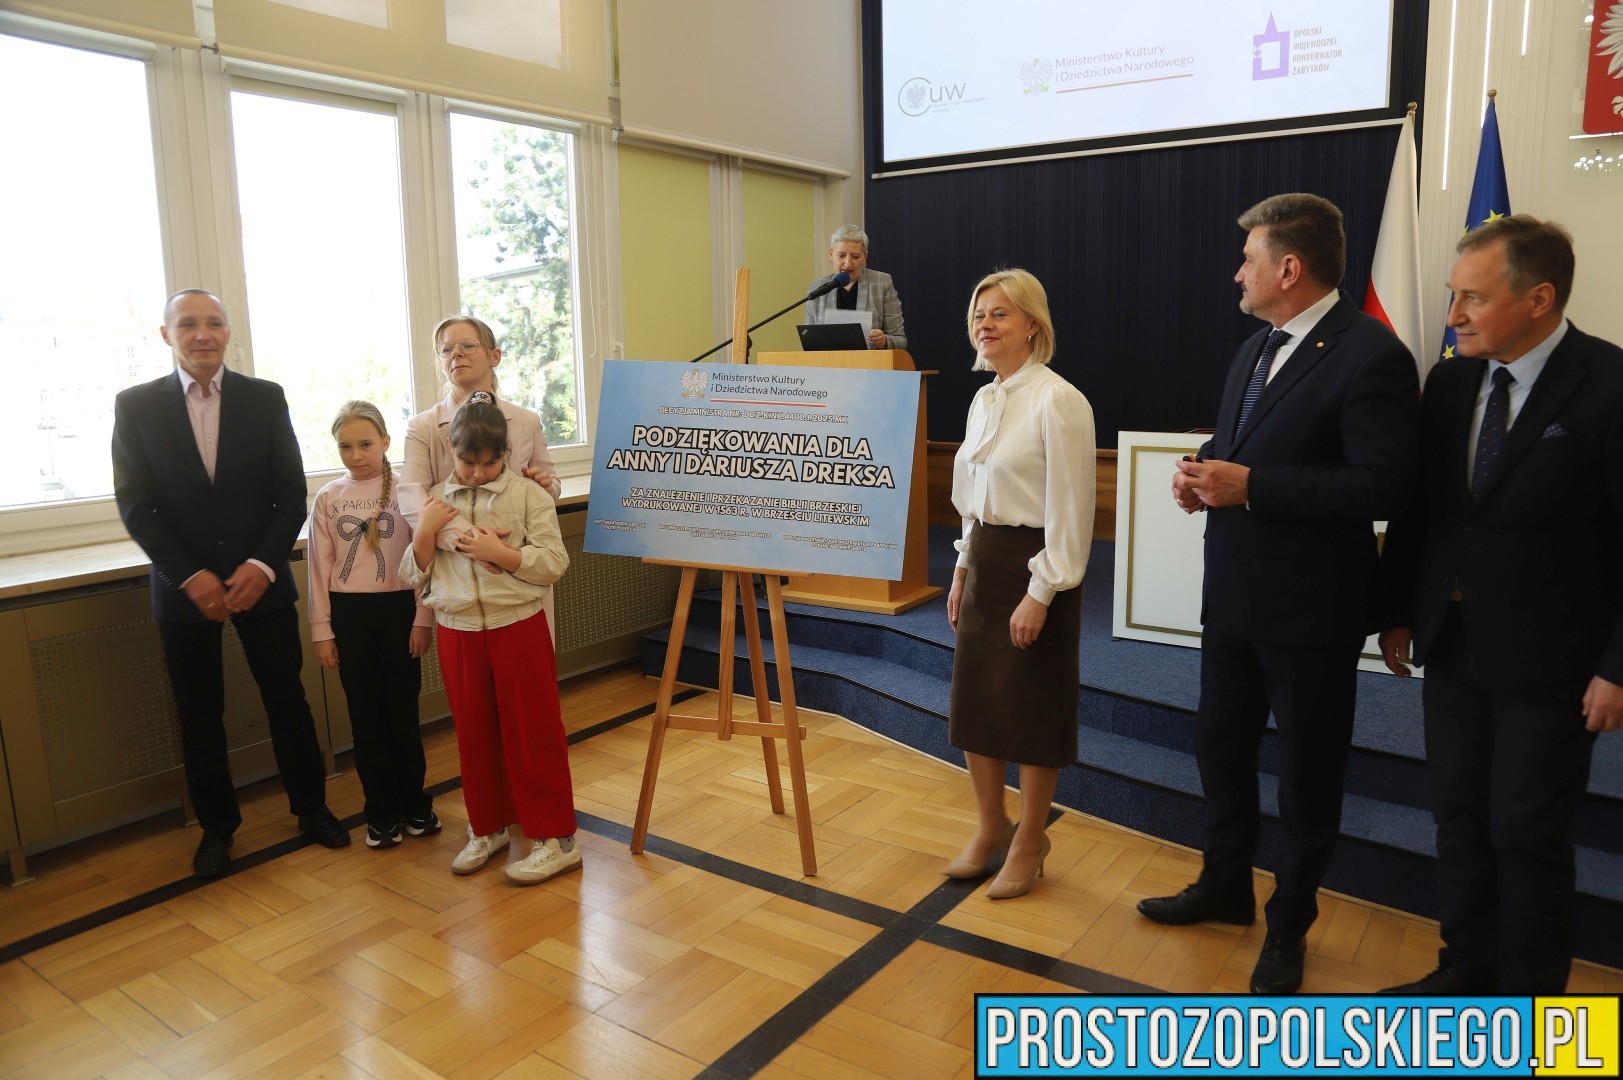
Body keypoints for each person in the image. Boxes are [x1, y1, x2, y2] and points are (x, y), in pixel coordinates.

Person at [1137, 194, 1420, 995]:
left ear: (1288, 268)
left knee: (1305, 776)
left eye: (1247, 259)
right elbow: (1245, 443)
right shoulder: (1255, 349)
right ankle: (1224, 887)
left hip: (1310, 612)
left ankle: (1288, 927)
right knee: (1219, 749)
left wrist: (1252, 487)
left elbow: (1383, 485)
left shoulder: (1372, 354)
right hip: (1232, 598)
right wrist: (1200, 471)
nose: (1237, 273)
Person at [1379, 216, 1623, 994]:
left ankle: (1528, 1001)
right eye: (1453, 296)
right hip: (1453, 643)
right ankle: (1463, 969)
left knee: (1526, 832)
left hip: (1553, 662)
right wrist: (1398, 610)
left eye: (1472, 299)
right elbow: (1424, 511)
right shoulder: (1451, 382)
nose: (1453, 316)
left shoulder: (1610, 384)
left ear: (1539, 298)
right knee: (1457, 819)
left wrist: (1617, 667)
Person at [111, 289, 351, 878]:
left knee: (287, 700)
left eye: (214, 323)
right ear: (166, 335)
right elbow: (136, 505)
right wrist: (189, 575)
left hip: (261, 581)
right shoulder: (135, 406)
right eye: (188, 324)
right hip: (183, 590)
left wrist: (263, 565)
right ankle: (217, 829)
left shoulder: (265, 397)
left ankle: (311, 807)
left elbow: (289, 492)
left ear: (227, 332)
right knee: (198, 714)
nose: (203, 334)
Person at [944, 269, 1096, 901]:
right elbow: (973, 498)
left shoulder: (1059, 400)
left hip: (1037, 567)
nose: (985, 324)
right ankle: (991, 827)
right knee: (976, 703)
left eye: (1000, 313)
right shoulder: (984, 399)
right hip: (985, 562)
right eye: (979, 314)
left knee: (1034, 709)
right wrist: (961, 568)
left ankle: (1031, 840)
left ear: (1033, 324)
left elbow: (1072, 511)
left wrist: (1043, 590)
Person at [400, 391, 577, 884]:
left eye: (489, 463)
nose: (477, 473)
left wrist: (501, 554)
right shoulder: (436, 501)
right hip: (458, 632)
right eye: (466, 462)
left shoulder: (528, 495)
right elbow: (410, 573)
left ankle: (557, 839)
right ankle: (488, 827)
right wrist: (424, 532)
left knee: (534, 733)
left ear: (506, 454)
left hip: (517, 627)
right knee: (474, 735)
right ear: (452, 451)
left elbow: (554, 563)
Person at [308, 401, 437, 849]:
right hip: (350, 617)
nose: (356, 455)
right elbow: (318, 570)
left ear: (385, 441)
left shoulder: (408, 491)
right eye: (345, 446)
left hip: (400, 611)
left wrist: (423, 619)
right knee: (366, 719)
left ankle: (415, 804)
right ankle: (380, 813)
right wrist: (322, 631)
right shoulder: (328, 497)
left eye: (365, 444)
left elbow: (425, 558)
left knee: (403, 714)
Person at [400, 315, 564, 634]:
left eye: (467, 345)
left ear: (494, 356)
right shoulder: (423, 426)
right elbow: (411, 497)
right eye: (446, 349)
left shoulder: (526, 420)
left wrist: (544, 487)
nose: (456, 354)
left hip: (518, 582)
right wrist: (472, 542)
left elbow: (550, 486)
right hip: (458, 582)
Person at [804, 224, 908, 350]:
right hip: (829, 362)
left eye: (855, 256)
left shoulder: (881, 283)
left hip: (870, 362)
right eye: (841, 255)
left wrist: (884, 341)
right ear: (831, 254)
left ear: (865, 257)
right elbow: (808, 343)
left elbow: (900, 340)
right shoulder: (817, 288)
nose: (848, 263)